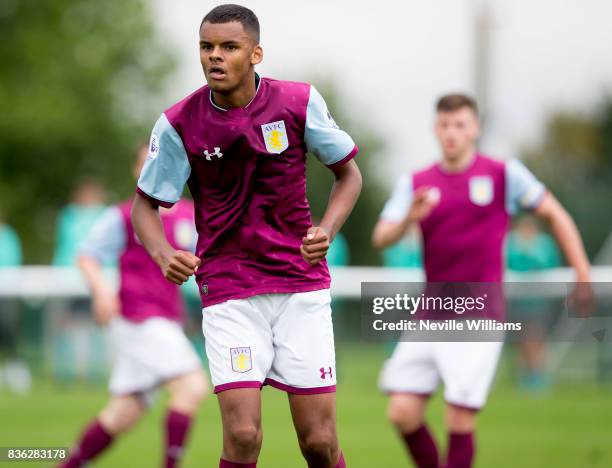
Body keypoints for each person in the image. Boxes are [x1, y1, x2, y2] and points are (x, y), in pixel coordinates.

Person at [131, 5, 362, 467]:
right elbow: (145, 205)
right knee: (242, 435)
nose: (215, 56)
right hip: (229, 290)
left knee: (318, 441)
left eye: (229, 47)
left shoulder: (298, 102)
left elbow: (349, 175)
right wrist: (162, 254)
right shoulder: (179, 123)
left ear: (255, 53)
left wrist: (328, 229)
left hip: (300, 284)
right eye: (206, 46)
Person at [372, 93, 592, 468]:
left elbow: (555, 215)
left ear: (474, 128)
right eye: (444, 125)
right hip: (432, 312)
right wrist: (410, 217)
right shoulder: (418, 183)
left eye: (460, 124)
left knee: (459, 416)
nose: (451, 133)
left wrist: (582, 272)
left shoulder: (504, 174)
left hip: (479, 312)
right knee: (402, 412)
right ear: (435, 129)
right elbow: (381, 237)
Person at [60, 145, 208, 468]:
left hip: (167, 320)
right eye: (147, 164)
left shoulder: (189, 215)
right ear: (136, 171)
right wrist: (101, 291)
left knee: (122, 413)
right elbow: (87, 256)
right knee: (193, 386)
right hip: (139, 320)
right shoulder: (124, 215)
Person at [507, 215, 562, 392]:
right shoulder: (511, 243)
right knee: (522, 341)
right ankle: (527, 377)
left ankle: (537, 378)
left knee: (535, 339)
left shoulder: (544, 245)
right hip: (516, 302)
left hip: (538, 302)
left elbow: (549, 265)